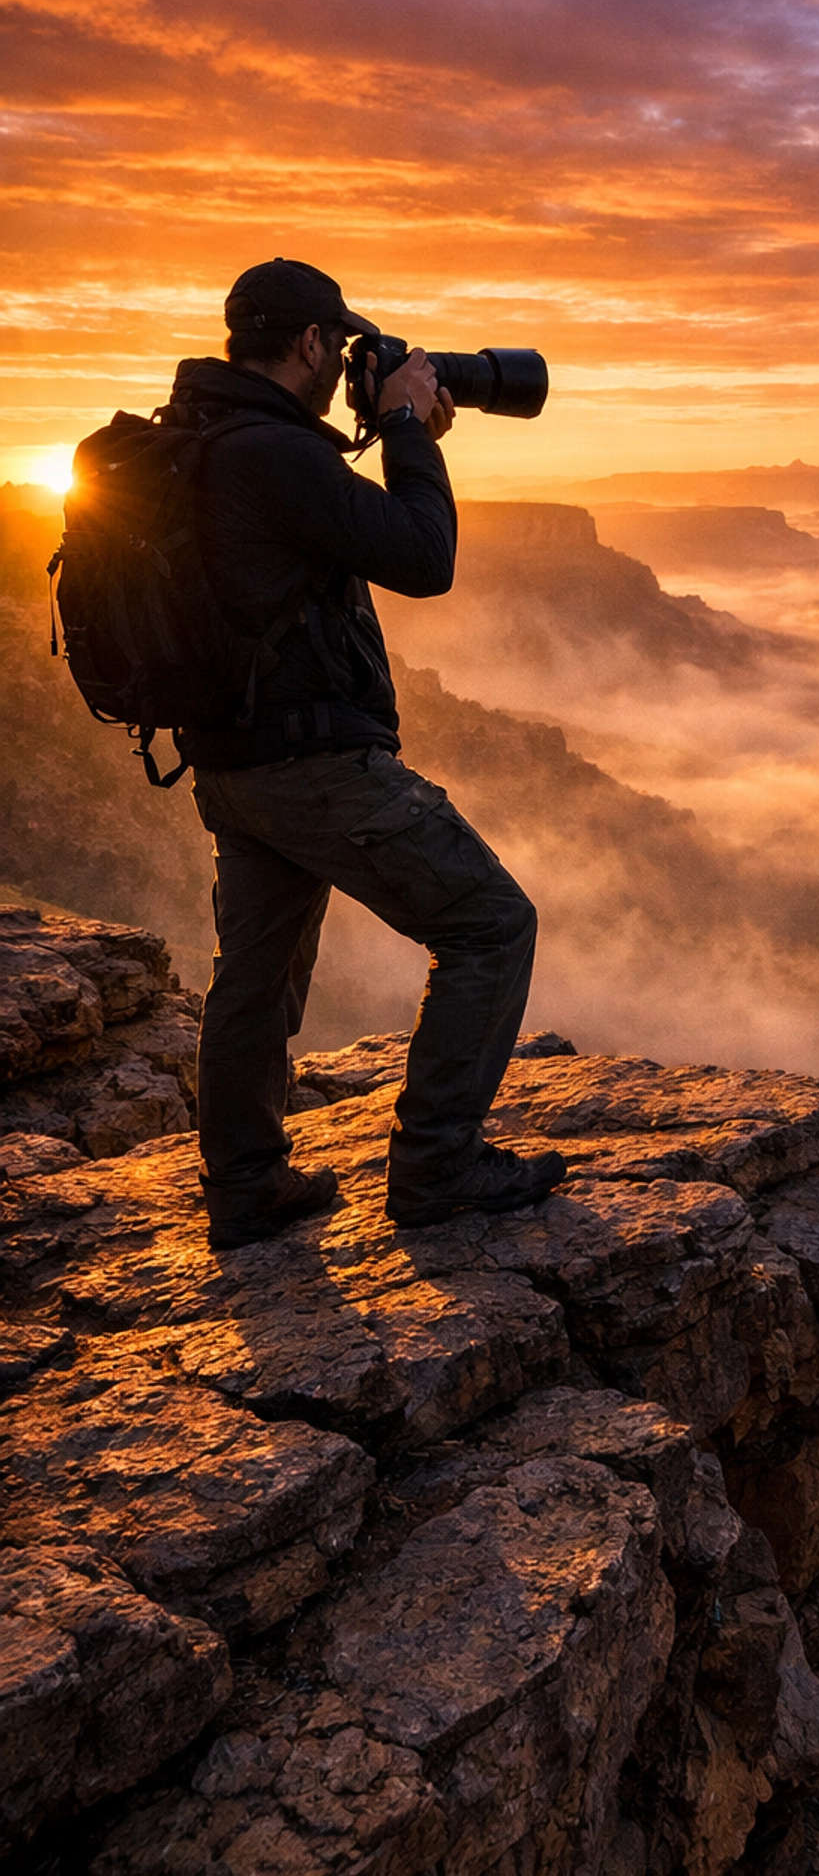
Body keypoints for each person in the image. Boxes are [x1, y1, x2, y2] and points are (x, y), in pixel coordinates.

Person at [170, 256, 565, 1249]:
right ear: (309, 343)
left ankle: (247, 1189)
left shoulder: (203, 435)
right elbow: (423, 560)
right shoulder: (272, 453)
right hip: (313, 766)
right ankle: (437, 1165)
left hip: (233, 762)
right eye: (337, 345)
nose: (344, 360)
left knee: (255, 976)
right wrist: (400, 427)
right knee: (489, 923)